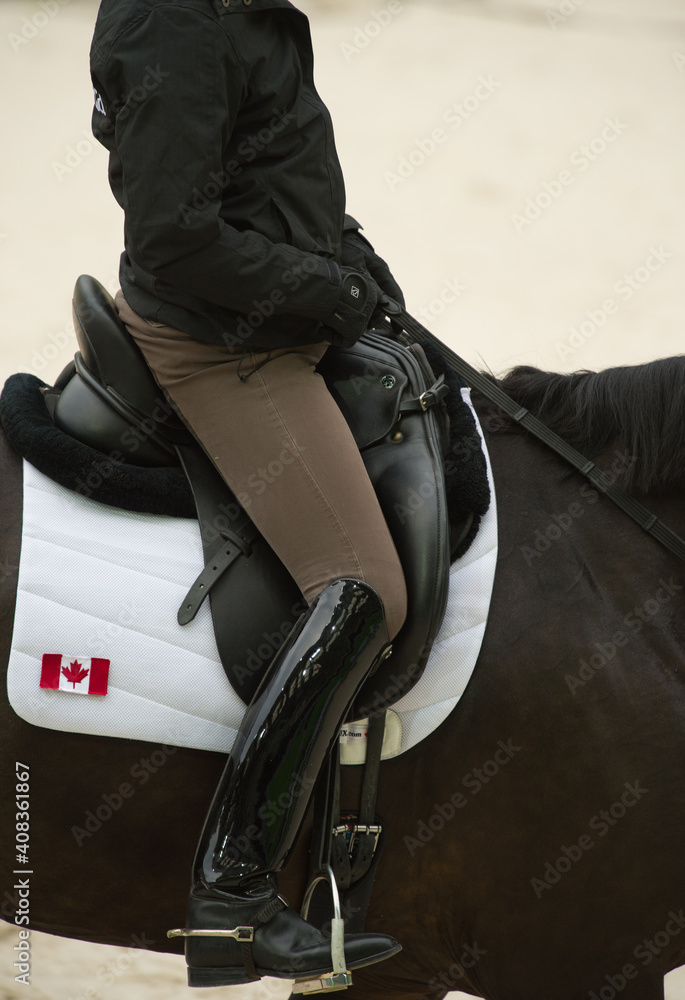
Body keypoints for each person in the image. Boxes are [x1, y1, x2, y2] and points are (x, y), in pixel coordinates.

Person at [90, 0, 408, 988]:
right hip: (216, 341)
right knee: (362, 587)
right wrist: (333, 293)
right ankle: (233, 892)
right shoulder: (176, 16)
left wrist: (348, 254)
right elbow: (175, 234)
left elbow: (259, 173)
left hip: (274, 309)